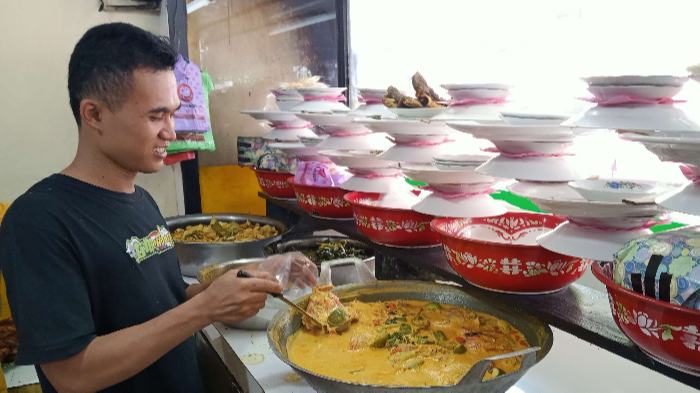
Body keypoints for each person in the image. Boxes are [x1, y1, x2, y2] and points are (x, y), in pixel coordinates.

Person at [0, 22, 317, 393]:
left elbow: (169, 300)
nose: (171, 132)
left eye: (173, 113)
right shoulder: (38, 221)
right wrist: (204, 310)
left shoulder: (142, 200)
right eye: (156, 116)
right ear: (94, 114)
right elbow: (72, 374)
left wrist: (257, 273)